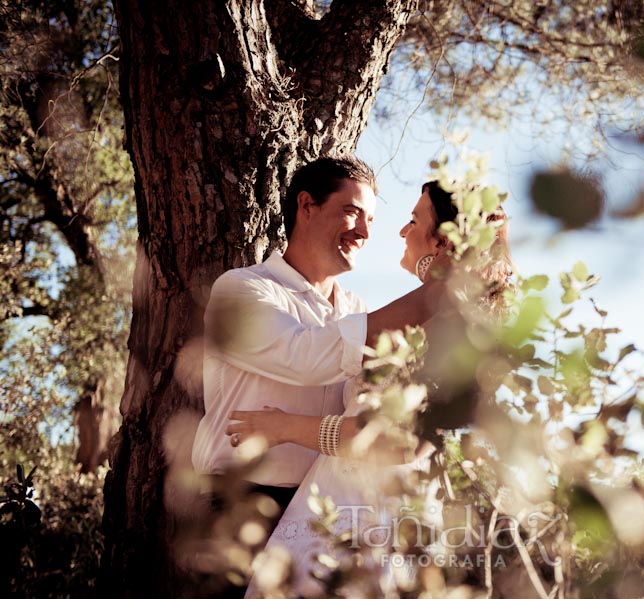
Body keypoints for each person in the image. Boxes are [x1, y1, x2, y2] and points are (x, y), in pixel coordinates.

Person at [229, 181, 514, 598]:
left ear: (444, 240)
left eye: (414, 221)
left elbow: (403, 443)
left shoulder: (458, 329)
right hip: (338, 501)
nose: (402, 232)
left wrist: (284, 426)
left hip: (371, 518)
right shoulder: (423, 318)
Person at [191, 157, 448, 517]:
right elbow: (305, 358)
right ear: (307, 205)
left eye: (370, 220)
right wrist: (445, 289)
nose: (364, 232)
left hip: (323, 511)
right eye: (352, 212)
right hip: (236, 506)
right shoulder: (241, 289)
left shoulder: (359, 311)